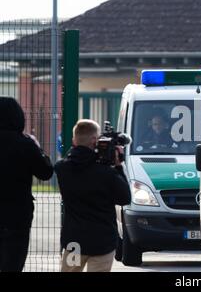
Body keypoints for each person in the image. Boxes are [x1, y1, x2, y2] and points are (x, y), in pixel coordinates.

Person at [55, 119, 131, 272]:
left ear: (73, 141)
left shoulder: (62, 169)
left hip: (74, 242)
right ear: (95, 141)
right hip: (102, 242)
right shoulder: (107, 173)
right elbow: (125, 198)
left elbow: (74, 158)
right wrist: (118, 166)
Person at [0, 97, 53, 272]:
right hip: (16, 215)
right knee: (13, 261)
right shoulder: (25, 144)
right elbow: (46, 173)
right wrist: (38, 148)